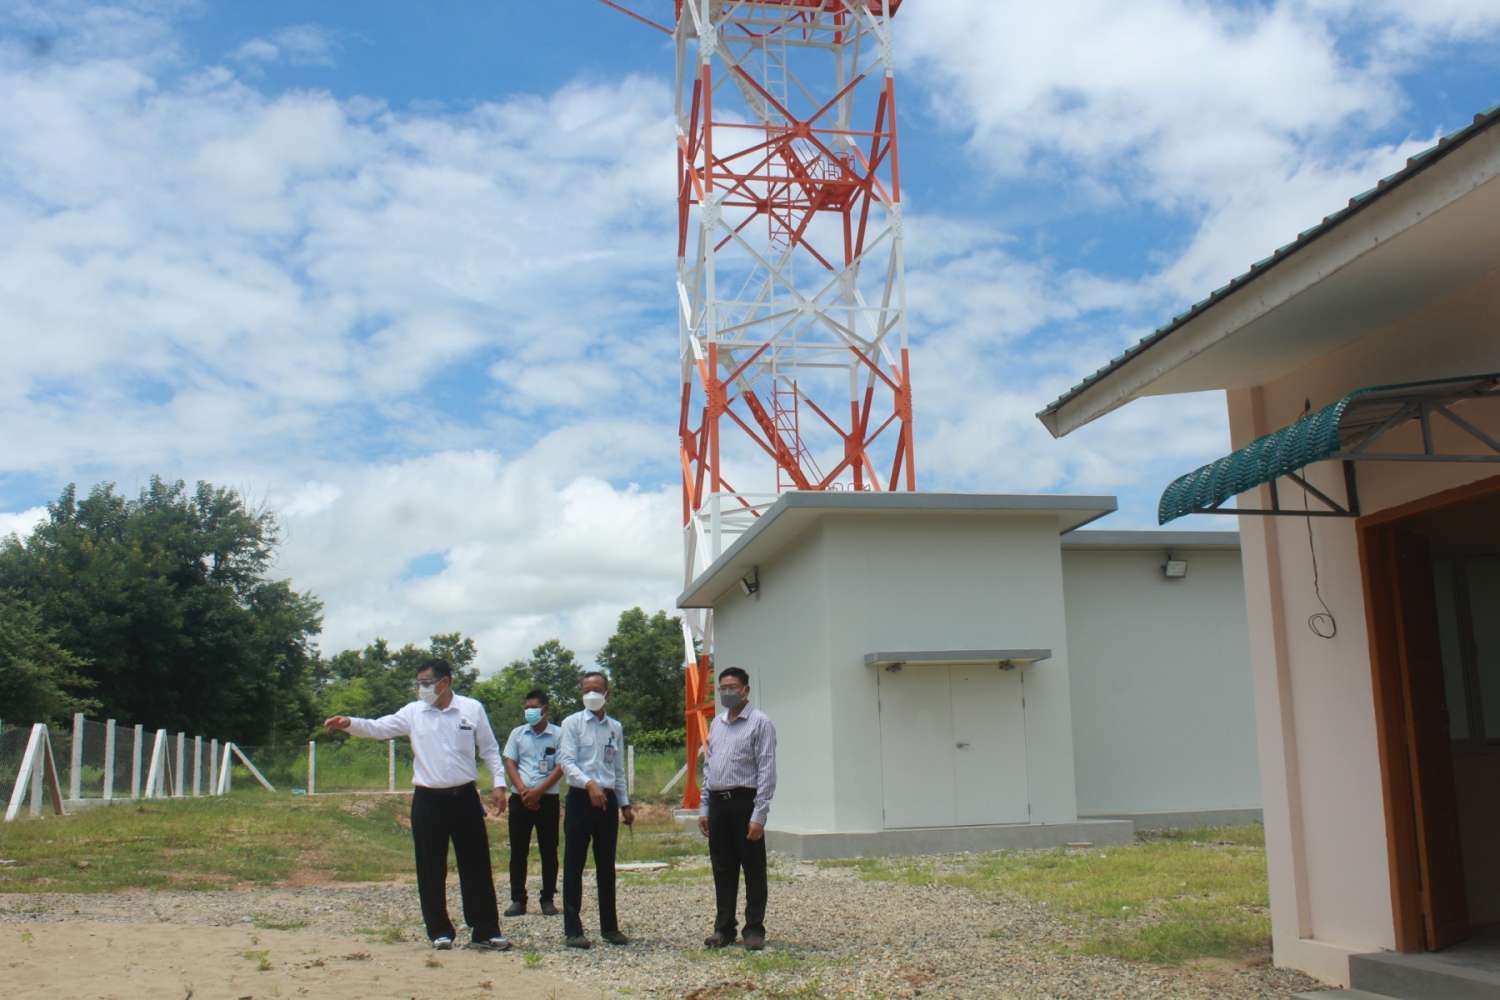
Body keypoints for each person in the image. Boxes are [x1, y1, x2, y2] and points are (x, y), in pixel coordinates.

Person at [323, 657, 511, 952]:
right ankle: (439, 931)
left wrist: (499, 783)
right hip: (428, 799)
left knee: (476, 864)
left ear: (445, 682)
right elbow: (379, 727)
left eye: (426, 683)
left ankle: (485, 930)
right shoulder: (414, 712)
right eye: (419, 683)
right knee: (430, 866)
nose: (421, 688)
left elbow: (488, 748)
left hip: (464, 797)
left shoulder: (471, 708)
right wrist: (350, 723)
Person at [697, 666, 777, 951]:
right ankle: (724, 928)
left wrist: (759, 814)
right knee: (722, 868)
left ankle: (754, 929)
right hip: (718, 802)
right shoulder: (717, 724)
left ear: (745, 690)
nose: (728, 692)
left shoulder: (760, 723)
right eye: (723, 688)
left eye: (733, 687)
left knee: (753, 868)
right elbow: (709, 767)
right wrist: (704, 807)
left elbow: (766, 769)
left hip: (745, 801)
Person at [556, 670, 635, 948]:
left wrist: (625, 804)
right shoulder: (572, 723)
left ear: (606, 693)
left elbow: (617, 769)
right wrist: (589, 784)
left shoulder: (615, 728)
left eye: (596, 690)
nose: (591, 694)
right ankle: (573, 930)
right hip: (581, 798)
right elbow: (566, 762)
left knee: (606, 866)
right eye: (586, 690)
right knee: (574, 865)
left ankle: (609, 927)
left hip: (607, 801)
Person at [501, 689, 563, 917]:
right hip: (520, 799)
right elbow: (510, 762)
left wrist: (539, 791)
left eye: (533, 707)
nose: (529, 711)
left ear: (545, 709)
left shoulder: (558, 734)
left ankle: (548, 898)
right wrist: (524, 790)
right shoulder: (517, 733)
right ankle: (518, 899)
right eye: (526, 708)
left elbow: (561, 766)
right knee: (518, 851)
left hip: (548, 800)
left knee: (549, 850)